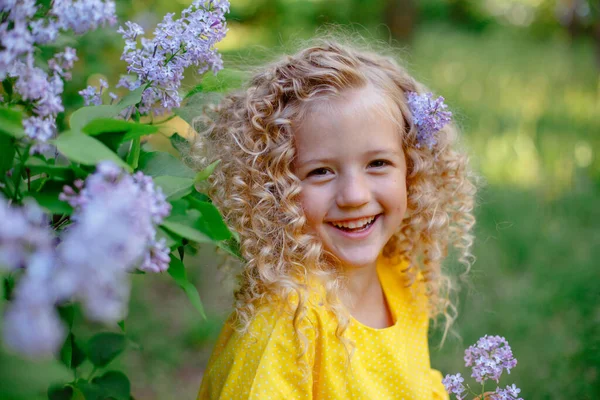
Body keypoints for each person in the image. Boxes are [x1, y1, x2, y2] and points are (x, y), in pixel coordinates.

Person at [190, 39, 478, 399]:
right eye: (321, 172)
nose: (355, 196)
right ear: (276, 188)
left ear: (412, 170)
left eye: (378, 164)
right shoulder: (288, 324)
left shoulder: (402, 278)